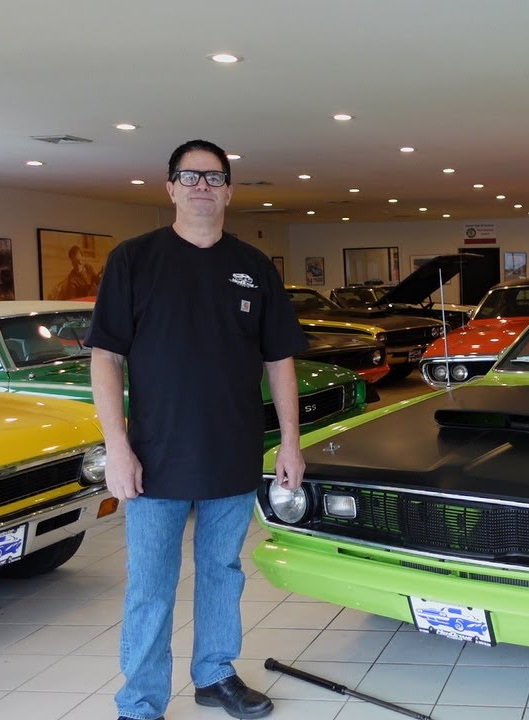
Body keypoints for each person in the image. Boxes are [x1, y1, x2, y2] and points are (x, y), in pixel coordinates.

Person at [88, 139, 308, 720]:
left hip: (232, 452)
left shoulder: (255, 267)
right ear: (170, 188)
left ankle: (214, 675)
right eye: (189, 177)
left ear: (230, 190)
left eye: (213, 177)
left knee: (222, 571)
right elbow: (105, 358)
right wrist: (117, 447)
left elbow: (279, 358)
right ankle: (140, 703)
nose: (201, 186)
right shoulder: (134, 260)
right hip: (153, 457)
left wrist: (289, 442)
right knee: (150, 586)